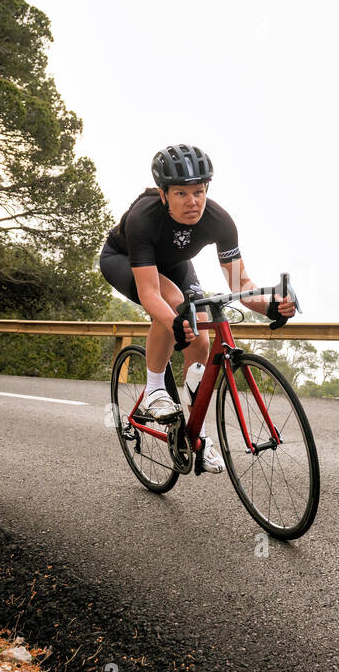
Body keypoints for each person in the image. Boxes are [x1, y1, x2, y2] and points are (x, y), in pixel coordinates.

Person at [98, 144, 297, 473]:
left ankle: (198, 437)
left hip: (176, 266)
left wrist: (273, 307)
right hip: (123, 261)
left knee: (201, 339)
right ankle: (154, 389)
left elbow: (241, 286)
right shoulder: (143, 218)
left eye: (199, 191)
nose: (193, 201)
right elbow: (150, 293)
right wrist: (175, 321)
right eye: (181, 193)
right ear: (163, 194)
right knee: (175, 307)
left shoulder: (220, 221)